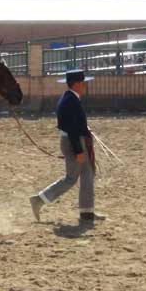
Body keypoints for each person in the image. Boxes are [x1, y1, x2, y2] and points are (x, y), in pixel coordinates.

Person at [29, 70, 104, 224]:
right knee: (71, 179)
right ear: (77, 84)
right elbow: (71, 128)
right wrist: (78, 150)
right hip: (74, 142)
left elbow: (74, 124)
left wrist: (85, 130)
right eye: (83, 83)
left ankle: (87, 212)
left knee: (87, 175)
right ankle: (39, 199)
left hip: (75, 140)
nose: (85, 85)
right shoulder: (71, 101)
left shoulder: (69, 98)